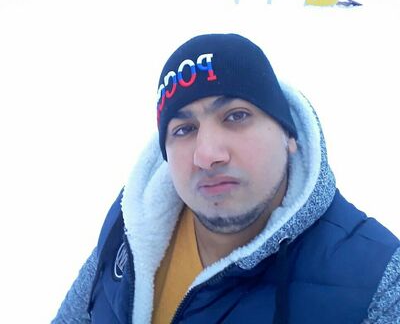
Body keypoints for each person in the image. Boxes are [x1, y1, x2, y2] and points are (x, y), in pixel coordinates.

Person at [52, 33, 400, 324]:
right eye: (184, 129)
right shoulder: (132, 222)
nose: (207, 154)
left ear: (289, 134)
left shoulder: (378, 283)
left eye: (236, 116)